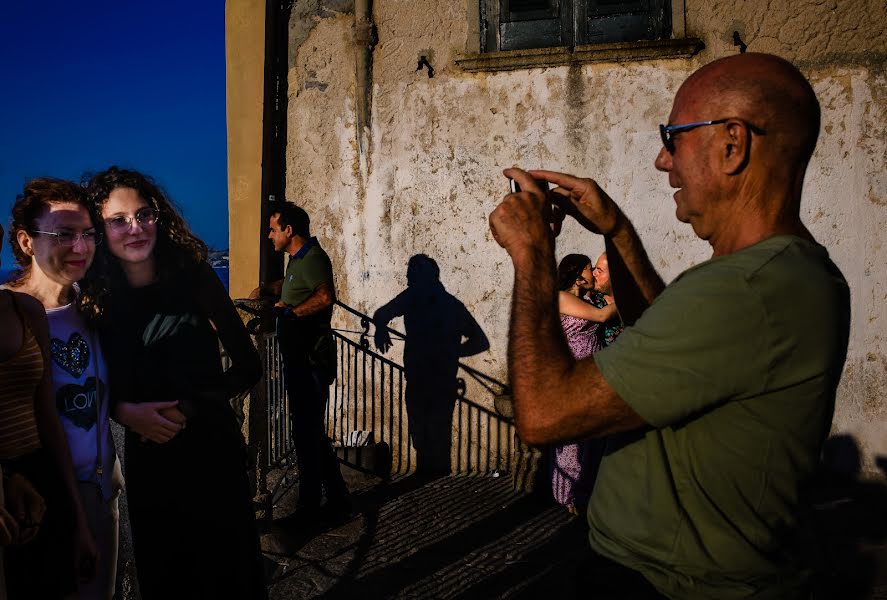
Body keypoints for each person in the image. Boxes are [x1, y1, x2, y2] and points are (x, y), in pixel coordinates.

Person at [489, 52, 850, 599]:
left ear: (732, 144)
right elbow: (668, 345)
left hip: (661, 583)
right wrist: (617, 230)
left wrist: (534, 254)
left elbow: (543, 415)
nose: (663, 161)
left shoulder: (741, 291)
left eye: (673, 136)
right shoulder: (789, 275)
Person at [80, 167, 266, 600]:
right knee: (167, 576)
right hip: (151, 464)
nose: (135, 228)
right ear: (99, 229)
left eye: (144, 215)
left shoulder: (194, 276)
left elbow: (248, 366)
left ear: (159, 216)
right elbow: (89, 384)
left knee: (230, 575)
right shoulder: (96, 299)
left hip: (212, 451)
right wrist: (124, 412)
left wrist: (190, 406)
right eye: (118, 220)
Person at [5, 178, 122, 599]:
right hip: (37, 500)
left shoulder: (93, 307)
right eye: (63, 234)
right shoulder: (9, 314)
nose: (81, 246)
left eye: (89, 234)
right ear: (25, 242)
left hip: (101, 492)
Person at [250, 202, 350, 522]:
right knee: (312, 434)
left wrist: (291, 313)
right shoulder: (297, 260)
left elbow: (324, 296)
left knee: (305, 436)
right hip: (300, 362)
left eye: (273, 229)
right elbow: (291, 285)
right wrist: (266, 290)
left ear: (288, 230)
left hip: (311, 362)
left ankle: (308, 507)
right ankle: (337, 496)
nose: (269, 235)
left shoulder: (315, 258)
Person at [372, 254, 490, 476]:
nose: (408, 281)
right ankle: (429, 473)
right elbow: (382, 314)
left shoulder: (433, 301)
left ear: (424, 278)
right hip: (424, 375)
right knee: (425, 427)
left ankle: (432, 474)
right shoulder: (422, 299)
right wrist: (381, 328)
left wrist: (452, 351)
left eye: (411, 277)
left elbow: (480, 341)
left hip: (435, 377)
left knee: (431, 428)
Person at [551, 254, 617, 512]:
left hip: (595, 370)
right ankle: (567, 496)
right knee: (573, 438)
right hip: (574, 371)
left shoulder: (588, 298)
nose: (594, 274)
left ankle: (586, 490)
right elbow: (601, 317)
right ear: (578, 274)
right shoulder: (561, 297)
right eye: (591, 269)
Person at [588, 253, 623, 346]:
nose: (593, 273)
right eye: (595, 268)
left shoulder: (638, 299)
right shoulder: (590, 302)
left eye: (599, 271)